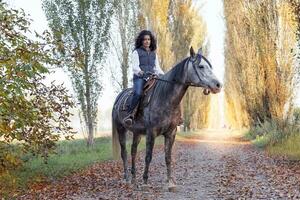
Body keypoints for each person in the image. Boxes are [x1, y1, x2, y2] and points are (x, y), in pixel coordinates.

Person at [124, 30, 164, 126]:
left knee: (165, 90)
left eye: (149, 39)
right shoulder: (136, 52)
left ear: (151, 41)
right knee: (138, 93)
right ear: (141, 41)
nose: (147, 41)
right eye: (145, 39)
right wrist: (141, 73)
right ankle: (130, 114)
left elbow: (157, 68)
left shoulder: (154, 54)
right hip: (140, 78)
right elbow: (135, 68)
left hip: (152, 78)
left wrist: (163, 75)